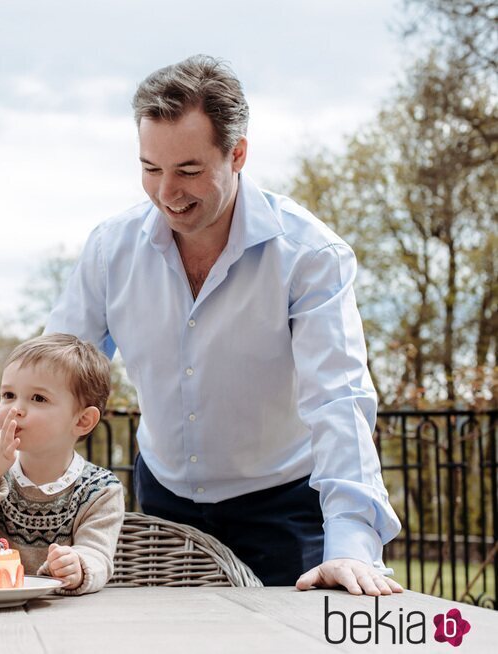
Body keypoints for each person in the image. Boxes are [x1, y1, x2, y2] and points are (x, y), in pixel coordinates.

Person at [44, 55, 403, 595]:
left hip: (283, 509)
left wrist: (351, 544)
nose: (168, 192)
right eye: (150, 168)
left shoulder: (309, 256)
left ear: (237, 154)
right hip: (163, 504)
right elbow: (53, 377)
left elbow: (339, 399)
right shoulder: (109, 250)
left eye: (189, 171)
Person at [0, 334, 124, 595]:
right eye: (8, 395)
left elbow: (98, 554)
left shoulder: (101, 490)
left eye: (38, 398)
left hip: (63, 619)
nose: (17, 409)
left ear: (82, 421)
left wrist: (78, 565)